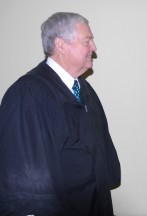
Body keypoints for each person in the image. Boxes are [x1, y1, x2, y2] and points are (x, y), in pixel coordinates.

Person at [0, 12, 120, 216]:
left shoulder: (84, 90)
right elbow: (22, 177)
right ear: (61, 45)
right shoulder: (28, 94)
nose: (94, 47)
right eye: (87, 41)